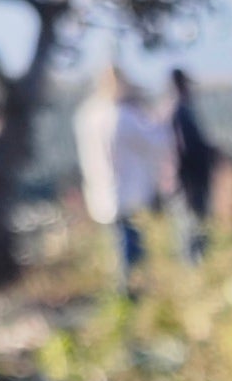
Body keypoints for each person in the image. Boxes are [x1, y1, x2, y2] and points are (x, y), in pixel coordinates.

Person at [73, 59, 172, 286]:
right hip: (125, 190)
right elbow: (156, 141)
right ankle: (129, 287)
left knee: (118, 239)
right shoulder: (121, 116)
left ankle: (126, 285)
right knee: (129, 241)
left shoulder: (90, 115)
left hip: (102, 188)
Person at [168, 67, 219, 255]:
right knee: (191, 223)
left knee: (195, 222)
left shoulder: (180, 110)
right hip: (189, 179)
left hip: (192, 178)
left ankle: (196, 259)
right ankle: (193, 262)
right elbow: (185, 148)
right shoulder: (178, 111)